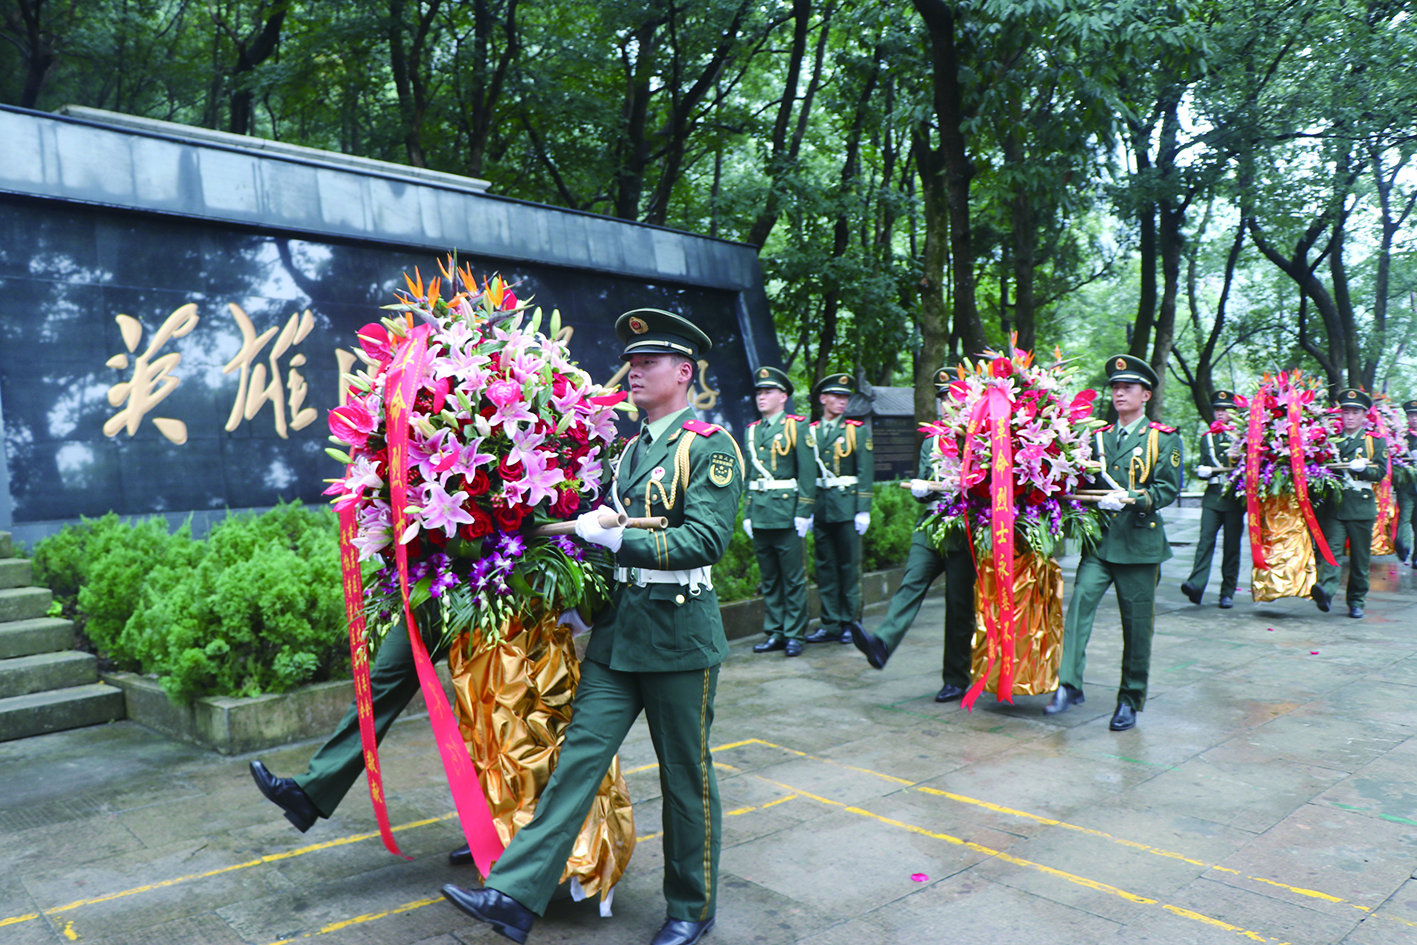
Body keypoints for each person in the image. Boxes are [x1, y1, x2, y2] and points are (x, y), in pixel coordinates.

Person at [441, 308, 744, 945]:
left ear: (683, 373)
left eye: (649, 363)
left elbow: (705, 539)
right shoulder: (631, 450)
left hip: (679, 637)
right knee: (578, 763)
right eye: (632, 363)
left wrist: (611, 539)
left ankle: (692, 906)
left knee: (684, 776)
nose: (633, 372)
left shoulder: (708, 446)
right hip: (618, 636)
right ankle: (515, 898)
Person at [1044, 354, 1182, 732]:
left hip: (1139, 546)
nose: (1119, 393)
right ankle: (1068, 685)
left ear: (1146, 395)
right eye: (1116, 388)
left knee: (1136, 628)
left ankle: (1130, 699)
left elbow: (1167, 488)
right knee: (1077, 609)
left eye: (1128, 387)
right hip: (1101, 544)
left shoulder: (1161, 438)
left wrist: (1131, 499)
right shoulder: (1097, 436)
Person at [850, 367, 977, 703]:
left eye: (953, 397)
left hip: (965, 529)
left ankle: (956, 677)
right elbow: (923, 479)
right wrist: (921, 491)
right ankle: (882, 644)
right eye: (942, 398)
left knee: (959, 606)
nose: (946, 404)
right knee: (911, 583)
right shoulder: (933, 440)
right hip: (932, 524)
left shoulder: (980, 438)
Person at [743, 366, 816, 657]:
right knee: (770, 577)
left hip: (787, 513)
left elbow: (807, 473)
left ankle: (795, 633)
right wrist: (747, 513)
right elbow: (750, 476)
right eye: (759, 392)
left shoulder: (796, 426)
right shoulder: (752, 431)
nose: (761, 397)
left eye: (768, 392)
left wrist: (804, 512)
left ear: (783, 396)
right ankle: (775, 631)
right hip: (760, 512)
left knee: (793, 578)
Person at [804, 373, 874, 646]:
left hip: (847, 507)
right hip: (821, 508)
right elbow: (807, 474)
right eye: (836, 396)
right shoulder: (810, 432)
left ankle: (851, 622)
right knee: (825, 568)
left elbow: (864, 471)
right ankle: (830, 623)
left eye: (845, 397)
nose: (842, 402)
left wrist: (863, 509)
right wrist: (806, 510)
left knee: (849, 567)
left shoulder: (855, 431)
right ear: (823, 399)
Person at [1312, 388, 1385, 619]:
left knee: (1360, 560)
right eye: (1346, 412)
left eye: (1355, 412)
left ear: (1364, 416)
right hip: (1336, 507)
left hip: (1361, 507)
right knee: (1331, 552)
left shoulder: (1374, 442)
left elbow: (1380, 471)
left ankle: (1356, 601)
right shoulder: (1330, 441)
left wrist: (1364, 469)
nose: (1350, 417)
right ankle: (1325, 590)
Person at [1181, 390, 1245, 609]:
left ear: (1234, 412)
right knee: (1205, 542)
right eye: (1217, 409)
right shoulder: (1207, 438)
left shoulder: (1242, 437)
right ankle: (1196, 585)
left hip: (1234, 498)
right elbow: (1201, 466)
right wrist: (1202, 471)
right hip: (1212, 497)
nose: (1220, 414)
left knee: (1231, 547)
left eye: (1225, 410)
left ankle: (1227, 592)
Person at [1394, 399, 1417, 567]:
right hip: (1407, 486)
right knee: (1405, 517)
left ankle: (1416, 556)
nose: (1414, 418)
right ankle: (1403, 546)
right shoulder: (1401, 438)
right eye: (1411, 415)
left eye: (1416, 415)